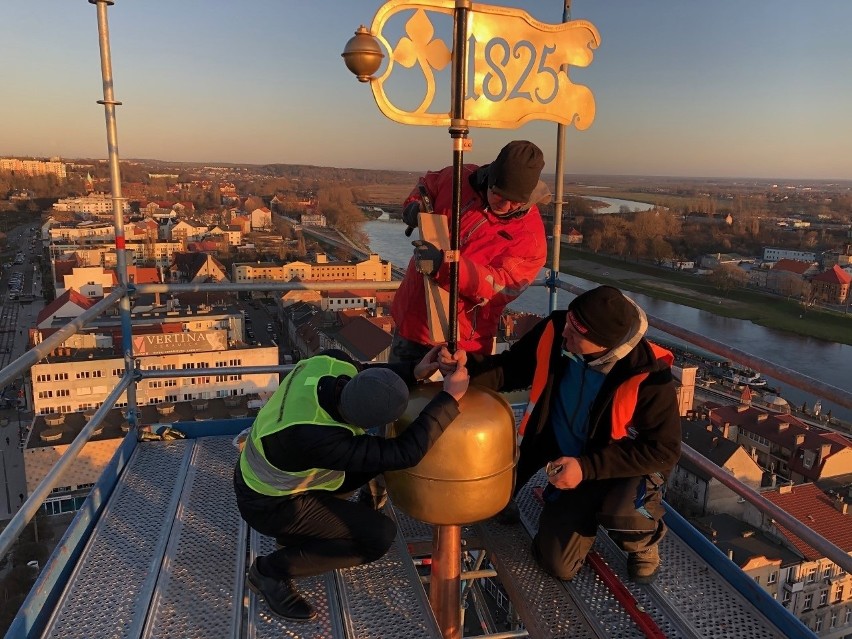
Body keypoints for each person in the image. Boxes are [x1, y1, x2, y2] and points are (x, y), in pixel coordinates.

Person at [441, 285, 681, 584]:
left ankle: (643, 540)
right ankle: (575, 507)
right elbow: (511, 369)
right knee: (552, 561)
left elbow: (663, 450)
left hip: (612, 468)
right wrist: (468, 370)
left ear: (604, 345)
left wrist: (586, 469)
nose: (564, 332)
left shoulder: (649, 374)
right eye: (568, 321)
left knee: (621, 514)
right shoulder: (556, 329)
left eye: (575, 333)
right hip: (555, 445)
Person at [233, 347, 469, 621]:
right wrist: (449, 399)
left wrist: (415, 371)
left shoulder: (329, 363)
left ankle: (298, 536)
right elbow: (405, 453)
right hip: (269, 505)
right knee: (378, 536)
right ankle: (269, 572)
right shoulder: (316, 436)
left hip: (271, 475)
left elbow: (368, 376)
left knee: (373, 460)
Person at [390, 139, 550, 362]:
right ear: (490, 178)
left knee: (455, 397)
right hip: (411, 323)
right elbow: (428, 185)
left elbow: (499, 287)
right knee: (398, 392)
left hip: (461, 343)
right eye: (498, 196)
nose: (504, 206)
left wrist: (444, 266)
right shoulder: (460, 177)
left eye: (514, 203)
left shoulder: (530, 240)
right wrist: (415, 205)